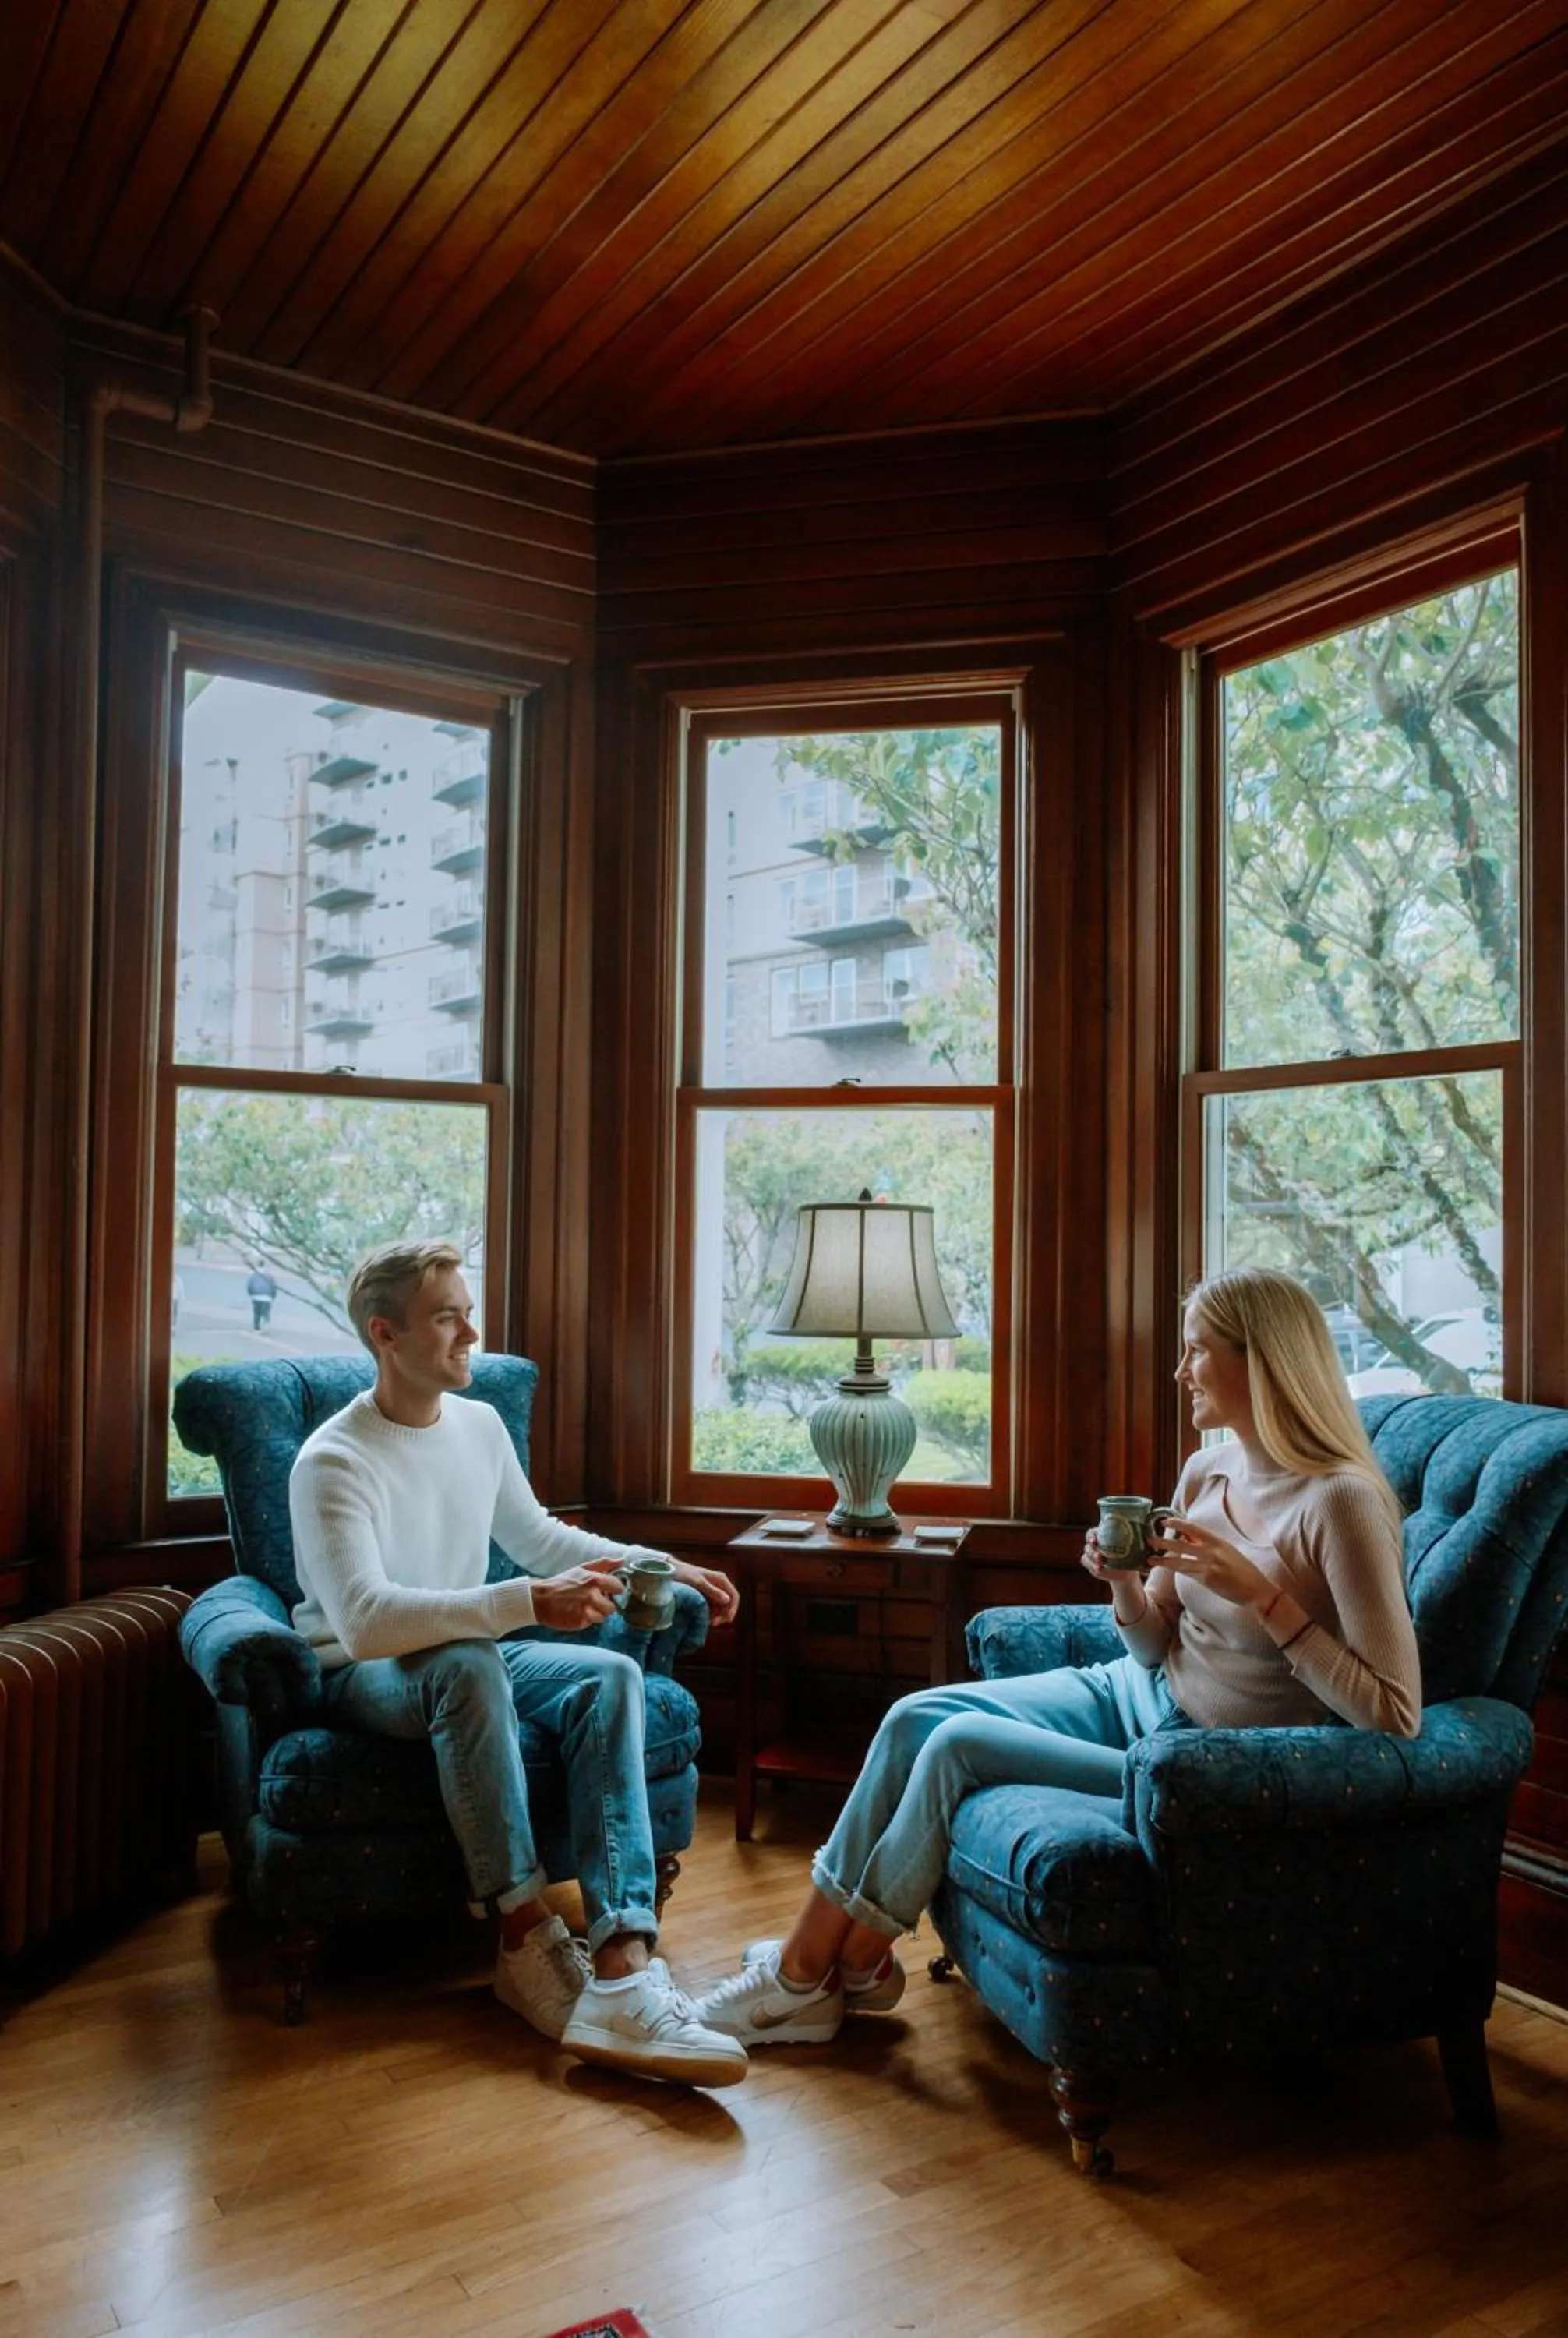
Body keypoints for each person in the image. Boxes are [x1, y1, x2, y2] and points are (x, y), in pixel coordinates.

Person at [694, 1266, 1421, 2048]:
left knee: (957, 1744)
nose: (1179, 1371)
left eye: (1195, 1352)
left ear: (1260, 1361)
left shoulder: (1338, 1501)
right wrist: (1125, 1588)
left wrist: (1263, 1599)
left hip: (1191, 1761)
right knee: (912, 1715)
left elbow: (1394, 1712)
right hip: (1132, 1692)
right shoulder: (1207, 1471)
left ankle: (807, 1975)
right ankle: (853, 1971)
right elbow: (1151, 1644)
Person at [288, 1237, 748, 2089]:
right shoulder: (332, 1460)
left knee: (610, 1675)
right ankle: (522, 1936)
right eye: (445, 1319)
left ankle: (620, 1962)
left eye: (469, 1313)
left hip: (469, 1654)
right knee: (466, 1661)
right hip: (361, 1677)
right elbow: (362, 1624)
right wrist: (526, 1604)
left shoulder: (479, 1423)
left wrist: (662, 1562)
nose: (469, 1334)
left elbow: (538, 1538)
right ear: (385, 1334)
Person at [247, 1265, 279, 1331]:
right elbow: (274, 1287)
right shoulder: (270, 1276)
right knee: (266, 1312)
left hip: (256, 1297)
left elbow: (250, 1286)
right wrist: (273, 1296)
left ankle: (257, 1327)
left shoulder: (253, 1276)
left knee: (257, 1313)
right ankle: (266, 1324)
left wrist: (251, 1295)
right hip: (267, 1297)